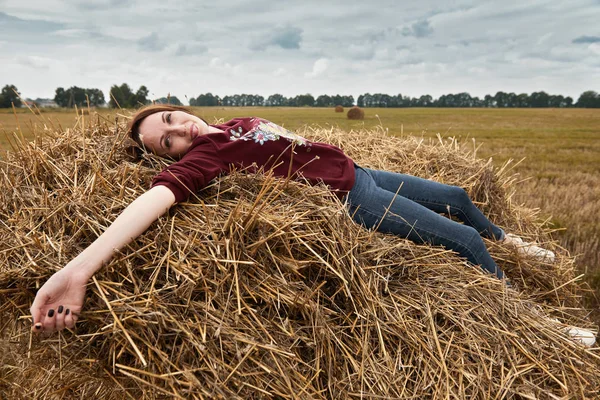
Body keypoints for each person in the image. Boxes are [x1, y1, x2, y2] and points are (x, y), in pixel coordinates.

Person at [32, 105, 584, 341]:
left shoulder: (229, 126)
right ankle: (544, 326)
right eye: (166, 139)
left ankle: (514, 243)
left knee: (458, 196)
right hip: (353, 199)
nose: (180, 130)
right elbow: (151, 204)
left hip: (359, 169)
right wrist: (79, 269)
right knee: (461, 241)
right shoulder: (202, 161)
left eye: (172, 119)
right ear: (168, 155)